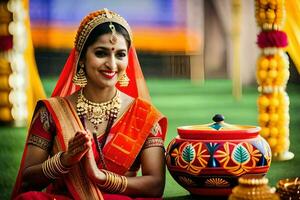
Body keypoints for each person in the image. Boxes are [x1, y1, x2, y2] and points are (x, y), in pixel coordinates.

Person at [12, 8, 167, 200]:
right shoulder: (51, 112)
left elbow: (156, 185)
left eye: (120, 55)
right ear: (82, 58)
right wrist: (64, 160)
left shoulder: (144, 115)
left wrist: (102, 178)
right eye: (101, 53)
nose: (112, 64)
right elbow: (27, 181)